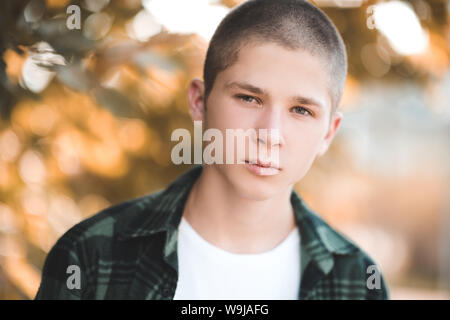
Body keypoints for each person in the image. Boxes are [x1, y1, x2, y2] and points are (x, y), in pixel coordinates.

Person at [35, 0, 389, 300]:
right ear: (200, 102)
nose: (270, 134)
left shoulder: (359, 283)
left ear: (329, 132)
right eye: (249, 98)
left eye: (301, 110)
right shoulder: (89, 257)